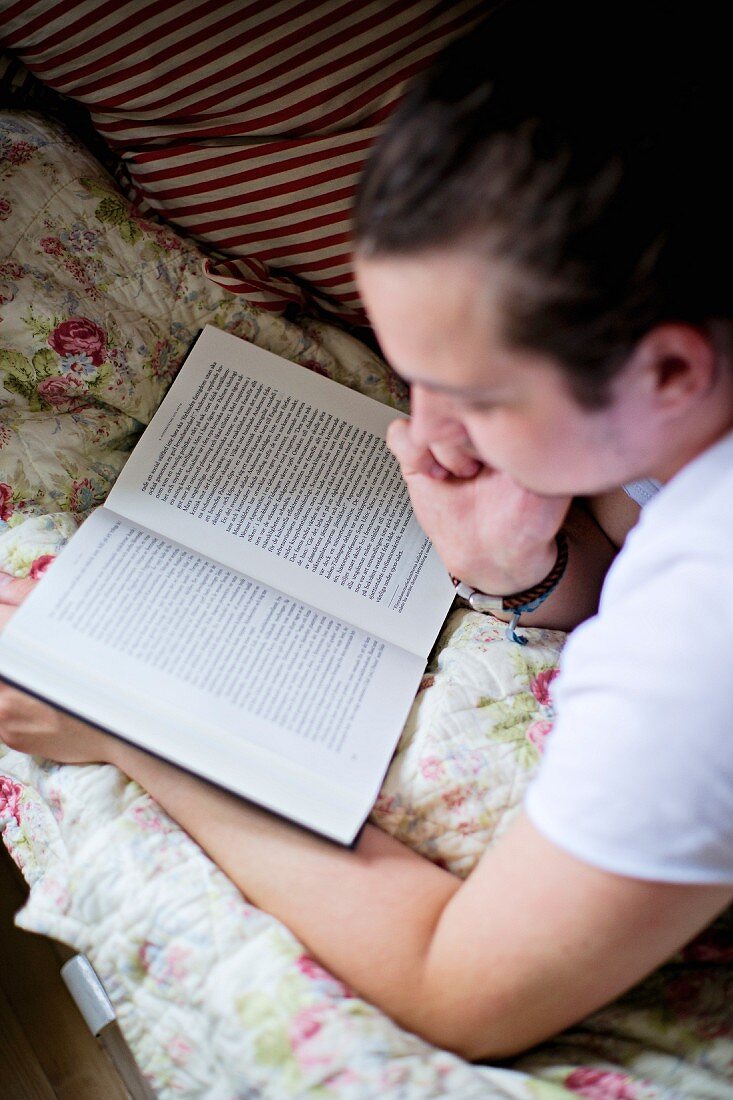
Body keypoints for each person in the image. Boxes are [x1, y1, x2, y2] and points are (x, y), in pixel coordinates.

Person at [1, 0, 732, 1062]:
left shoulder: (702, 632)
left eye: (473, 394)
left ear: (667, 369)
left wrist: (133, 726)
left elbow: (461, 985)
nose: (418, 432)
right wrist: (522, 574)